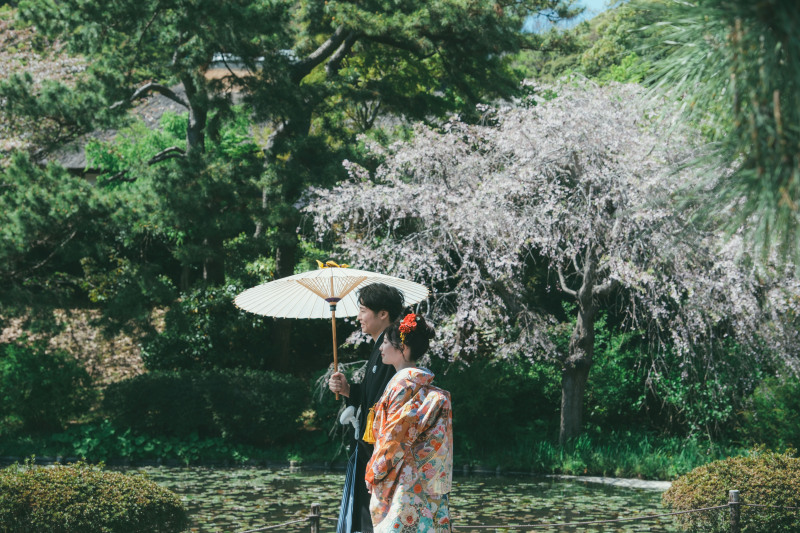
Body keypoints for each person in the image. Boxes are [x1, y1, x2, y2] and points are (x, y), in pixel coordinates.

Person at [365, 311, 453, 533]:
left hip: (401, 478)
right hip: (424, 475)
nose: (381, 348)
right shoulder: (424, 384)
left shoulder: (402, 385)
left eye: (385, 343)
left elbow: (393, 436)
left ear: (402, 349)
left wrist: (374, 471)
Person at [329, 282, 405, 533]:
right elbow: (373, 397)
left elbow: (385, 401)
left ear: (382, 313)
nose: (359, 317)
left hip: (379, 448)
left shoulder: (391, 346)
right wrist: (349, 389)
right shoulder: (381, 346)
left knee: (371, 518)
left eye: (363, 310)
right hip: (371, 445)